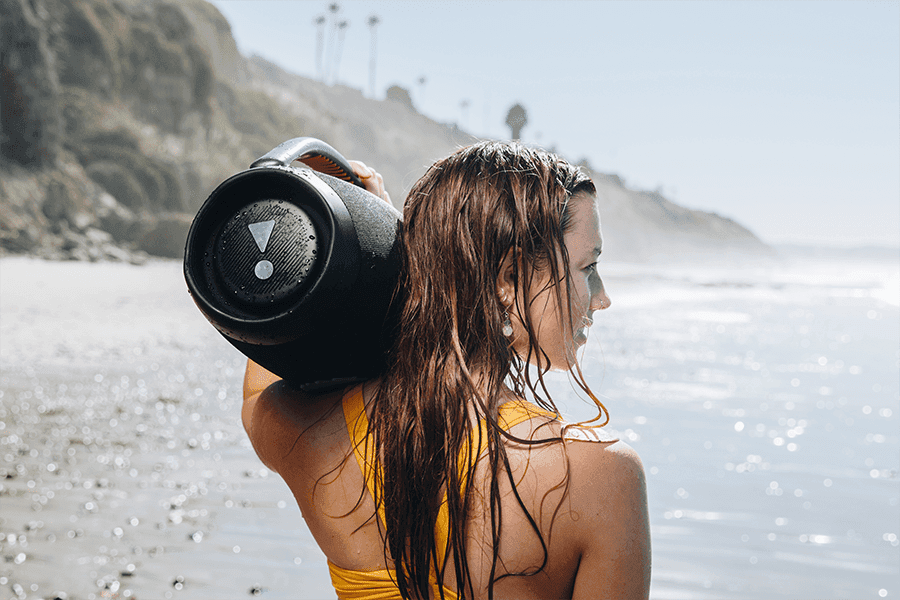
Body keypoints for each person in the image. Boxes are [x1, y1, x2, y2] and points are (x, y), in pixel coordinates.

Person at [241, 141, 650, 600]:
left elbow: (267, 347)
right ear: (509, 279)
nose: (602, 297)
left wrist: (375, 257)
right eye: (588, 267)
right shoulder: (600, 476)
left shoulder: (305, 433)